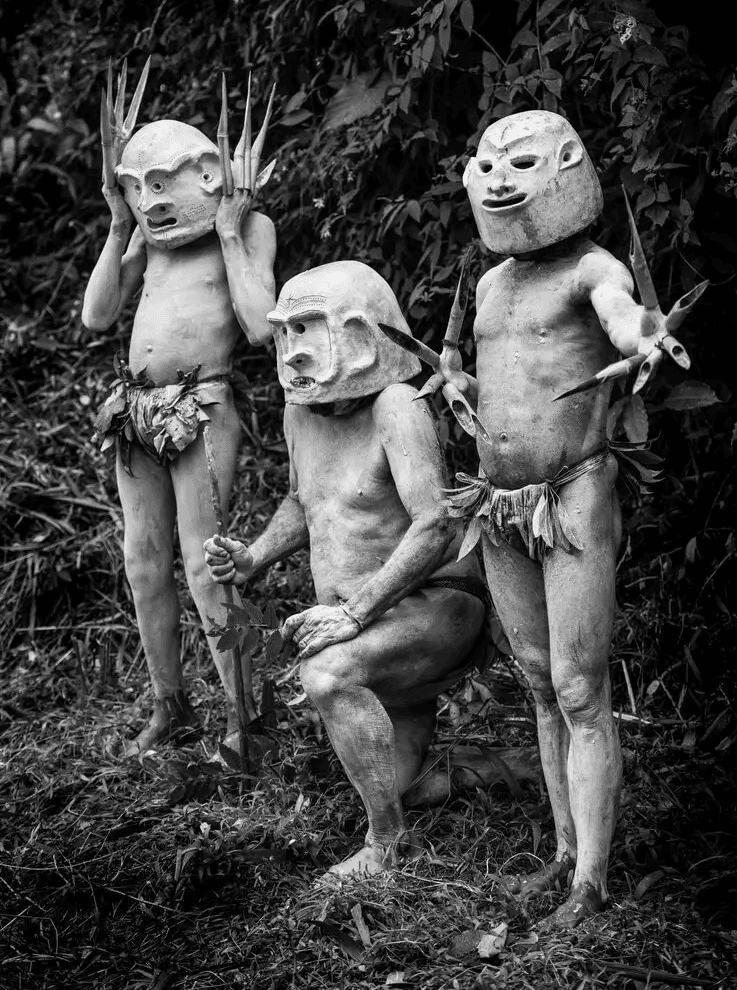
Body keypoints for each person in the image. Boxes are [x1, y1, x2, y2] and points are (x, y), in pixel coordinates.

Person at [415, 110, 693, 927]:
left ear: (565, 167)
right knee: (538, 681)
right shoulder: (493, 283)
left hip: (572, 493)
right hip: (500, 506)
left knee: (579, 686)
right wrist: (461, 391)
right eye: (491, 166)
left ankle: (593, 882)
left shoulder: (591, 267)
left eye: (524, 164)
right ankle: (566, 851)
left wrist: (642, 333)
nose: (501, 182)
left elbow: (620, 311)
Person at [205, 261, 489, 877]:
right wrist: (252, 556)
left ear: (362, 337)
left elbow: (436, 526)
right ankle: (484, 770)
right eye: (284, 334)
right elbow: (302, 498)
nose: (291, 352)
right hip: (365, 618)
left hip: (434, 605)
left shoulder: (396, 406)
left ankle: (387, 843)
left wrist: (354, 612)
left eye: (307, 331)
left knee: (328, 673)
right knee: (400, 777)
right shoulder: (300, 413)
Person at [82, 71, 276, 755]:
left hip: (204, 403)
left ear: (210, 173)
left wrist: (227, 232)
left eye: (163, 184)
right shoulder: (141, 239)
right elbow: (97, 314)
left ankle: (243, 719)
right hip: (136, 410)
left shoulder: (251, 227)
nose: (150, 200)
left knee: (205, 565)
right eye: (137, 186)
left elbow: (260, 326)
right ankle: (172, 705)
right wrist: (116, 224)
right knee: (141, 561)